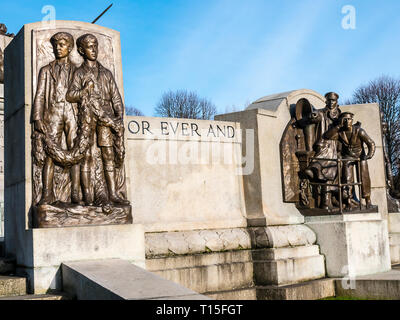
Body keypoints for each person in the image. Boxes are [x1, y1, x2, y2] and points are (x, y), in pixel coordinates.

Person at [67, 33, 128, 206]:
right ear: (81, 50)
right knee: (86, 156)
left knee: (108, 154)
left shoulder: (106, 73)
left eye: (95, 45)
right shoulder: (79, 73)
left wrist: (118, 119)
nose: (94, 49)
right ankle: (88, 197)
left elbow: (117, 100)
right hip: (87, 118)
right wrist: (84, 91)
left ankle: (114, 193)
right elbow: (71, 95)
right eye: (89, 46)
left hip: (106, 119)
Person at [32, 32, 80, 205]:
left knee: (76, 151)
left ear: (70, 47)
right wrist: (37, 117)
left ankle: (75, 193)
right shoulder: (46, 70)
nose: (58, 48)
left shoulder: (77, 70)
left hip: (72, 113)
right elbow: (40, 95)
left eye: (62, 44)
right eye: (56, 45)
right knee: (49, 154)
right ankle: (47, 193)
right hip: (53, 113)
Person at [324, 112, 376, 209]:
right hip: (347, 157)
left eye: (349, 119)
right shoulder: (340, 132)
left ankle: (368, 200)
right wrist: (338, 126)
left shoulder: (359, 131)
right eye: (345, 119)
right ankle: (348, 200)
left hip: (361, 156)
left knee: (364, 178)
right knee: (348, 179)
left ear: (352, 121)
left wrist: (369, 154)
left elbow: (371, 143)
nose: (347, 121)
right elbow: (327, 136)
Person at [304, 92, 342, 210]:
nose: (331, 102)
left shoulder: (340, 115)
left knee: (334, 172)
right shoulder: (322, 112)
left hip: (337, 146)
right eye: (329, 100)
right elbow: (315, 115)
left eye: (333, 100)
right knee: (327, 168)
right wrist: (313, 115)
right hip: (326, 145)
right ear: (326, 101)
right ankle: (325, 202)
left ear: (337, 102)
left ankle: (330, 200)